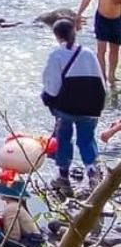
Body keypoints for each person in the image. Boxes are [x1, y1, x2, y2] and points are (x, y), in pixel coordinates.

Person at [42, 18, 106, 194]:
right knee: (86, 140)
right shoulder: (89, 53)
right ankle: (93, 174)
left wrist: (46, 98)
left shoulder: (56, 55)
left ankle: (63, 177)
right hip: (91, 107)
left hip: (67, 107)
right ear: (74, 33)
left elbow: (52, 89)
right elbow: (102, 82)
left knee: (63, 139)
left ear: (56, 36)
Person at [76, 0, 121, 87]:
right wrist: (79, 14)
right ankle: (102, 76)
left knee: (115, 50)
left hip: (117, 19)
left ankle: (111, 76)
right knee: (101, 49)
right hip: (102, 18)